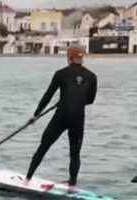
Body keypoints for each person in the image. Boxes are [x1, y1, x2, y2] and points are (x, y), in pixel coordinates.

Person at [26, 46, 97, 189]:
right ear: (82, 58)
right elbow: (90, 100)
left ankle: (27, 179)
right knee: (75, 153)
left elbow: (48, 95)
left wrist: (36, 115)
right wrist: (75, 100)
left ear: (69, 57)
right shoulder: (92, 76)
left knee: (44, 146)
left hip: (62, 116)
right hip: (78, 118)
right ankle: (72, 184)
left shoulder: (61, 74)